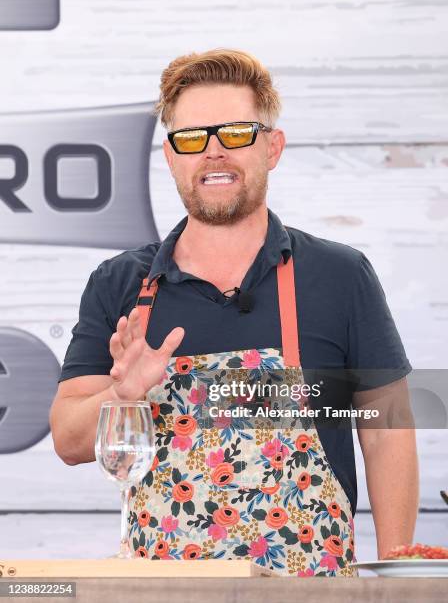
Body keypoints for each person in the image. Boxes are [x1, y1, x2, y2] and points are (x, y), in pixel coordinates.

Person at [50, 48, 419, 576]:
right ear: (171, 156)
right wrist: (122, 396)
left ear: (273, 147)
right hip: (161, 593)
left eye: (238, 133)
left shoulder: (340, 275)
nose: (214, 152)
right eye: (193, 138)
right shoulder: (119, 286)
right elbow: (68, 439)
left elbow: (386, 431)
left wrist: (394, 578)